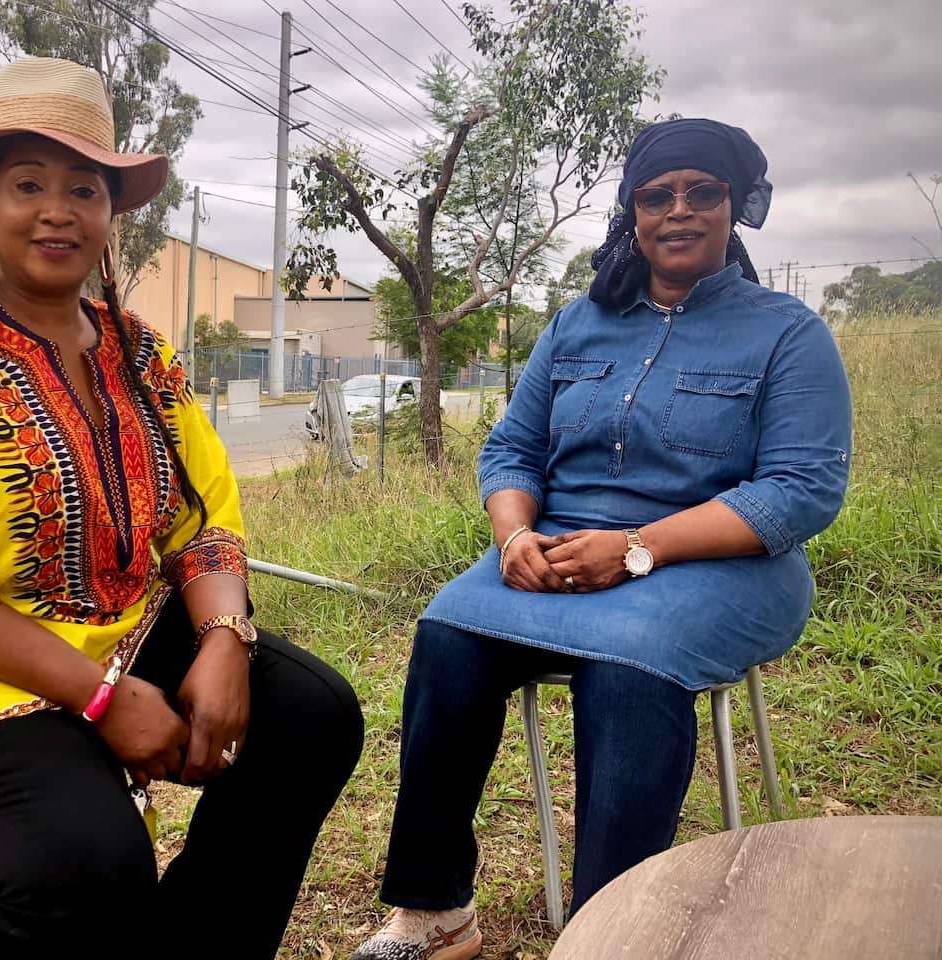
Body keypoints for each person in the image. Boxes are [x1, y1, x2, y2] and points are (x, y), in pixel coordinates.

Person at [0, 57, 362, 958]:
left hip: (114, 626)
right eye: (27, 183)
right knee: (85, 862)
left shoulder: (141, 354)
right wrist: (103, 699)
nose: (57, 209)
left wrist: (227, 641)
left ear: (113, 214)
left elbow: (206, 514)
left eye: (84, 187)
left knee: (311, 717)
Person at [353, 118, 852, 960]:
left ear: (738, 206)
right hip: (562, 549)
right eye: (658, 195)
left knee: (630, 663)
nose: (679, 210)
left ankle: (609, 936)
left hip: (721, 561)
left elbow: (801, 491)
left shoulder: (786, 332)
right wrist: (513, 535)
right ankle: (433, 911)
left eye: (704, 192)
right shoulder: (576, 325)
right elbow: (512, 448)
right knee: (449, 631)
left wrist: (639, 548)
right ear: (633, 212)